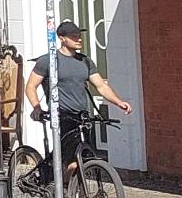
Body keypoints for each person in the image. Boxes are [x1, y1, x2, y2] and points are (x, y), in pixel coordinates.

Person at [25, 22, 131, 163]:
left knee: (84, 156)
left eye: (79, 36)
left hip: (82, 115)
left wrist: (119, 102)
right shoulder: (48, 61)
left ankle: (73, 176)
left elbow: (100, 86)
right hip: (62, 115)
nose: (79, 39)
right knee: (70, 159)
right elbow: (31, 86)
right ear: (62, 38)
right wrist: (36, 107)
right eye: (74, 36)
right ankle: (59, 174)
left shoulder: (85, 61)